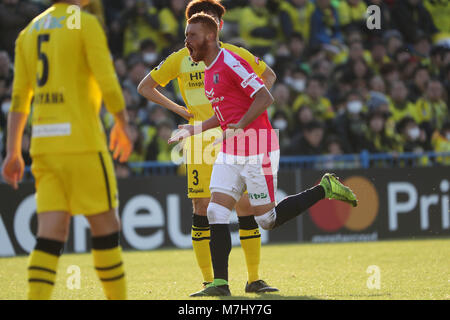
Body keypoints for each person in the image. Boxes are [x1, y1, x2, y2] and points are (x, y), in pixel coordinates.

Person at [169, 12, 358, 296]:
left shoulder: (232, 62)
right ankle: (220, 284)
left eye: (191, 36)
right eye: (186, 36)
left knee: (266, 220)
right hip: (231, 147)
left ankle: (324, 188)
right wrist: (195, 129)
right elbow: (223, 116)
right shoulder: (208, 72)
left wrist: (241, 126)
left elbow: (265, 96)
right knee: (215, 210)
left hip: (258, 144)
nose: (186, 42)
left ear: (209, 36)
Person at [137, 0, 278, 295]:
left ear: (217, 27)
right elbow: (145, 87)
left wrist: (244, 116)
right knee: (203, 208)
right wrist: (180, 109)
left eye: (214, 19)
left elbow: (269, 78)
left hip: (233, 136)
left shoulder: (235, 55)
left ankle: (254, 278)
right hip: (201, 139)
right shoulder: (180, 58)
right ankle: (210, 281)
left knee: (245, 207)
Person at [1, 0, 132, 300]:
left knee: (50, 233)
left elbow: (20, 98)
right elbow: (108, 81)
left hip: (44, 146)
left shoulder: (28, 33)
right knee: (107, 228)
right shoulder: (85, 24)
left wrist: (12, 151)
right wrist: (122, 123)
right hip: (82, 143)